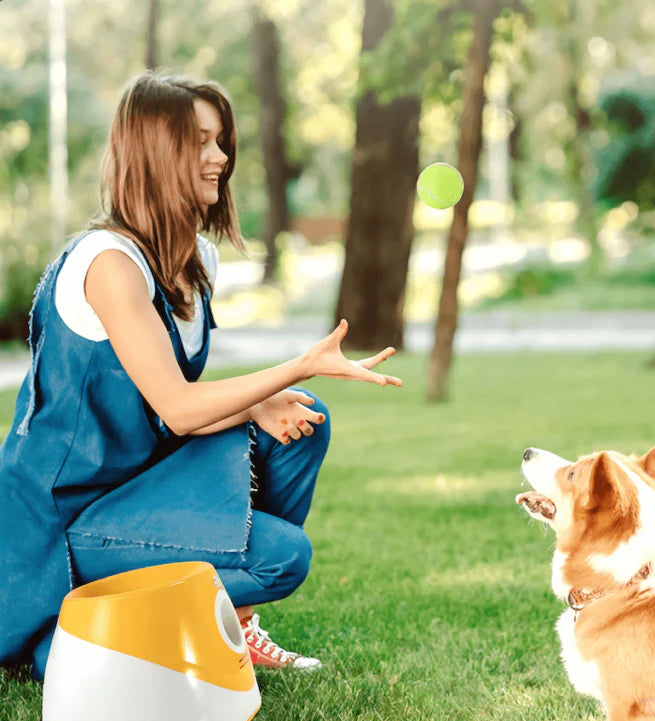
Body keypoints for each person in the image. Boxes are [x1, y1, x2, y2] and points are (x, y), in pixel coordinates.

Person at [0, 70, 401, 681]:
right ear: (157, 152)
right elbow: (181, 409)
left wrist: (262, 402)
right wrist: (297, 363)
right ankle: (70, 623)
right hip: (58, 522)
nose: (221, 157)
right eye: (203, 142)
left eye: (222, 141)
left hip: (134, 487)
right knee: (283, 558)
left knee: (302, 418)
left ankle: (228, 621)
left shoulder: (193, 258)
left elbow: (164, 411)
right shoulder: (108, 264)